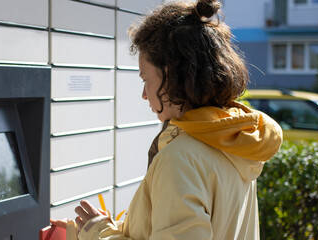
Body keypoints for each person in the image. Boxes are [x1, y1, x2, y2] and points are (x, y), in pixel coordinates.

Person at [52, 0, 283, 239]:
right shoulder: (235, 139)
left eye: (145, 79)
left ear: (171, 76)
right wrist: (105, 228)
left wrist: (97, 233)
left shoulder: (181, 159)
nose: (144, 94)